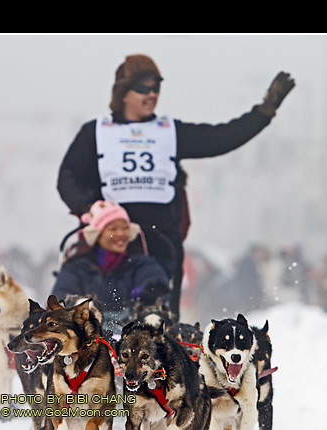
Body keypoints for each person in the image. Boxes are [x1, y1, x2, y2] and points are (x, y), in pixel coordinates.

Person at [57, 54, 296, 320]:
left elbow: (221, 138)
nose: (151, 94)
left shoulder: (168, 131)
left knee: (159, 326)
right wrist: (90, 208)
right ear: (123, 92)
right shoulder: (96, 132)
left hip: (161, 243)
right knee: (103, 321)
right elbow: (67, 177)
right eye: (142, 88)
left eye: (156, 87)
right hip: (113, 244)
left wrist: (264, 112)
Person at [51, 200, 170, 334]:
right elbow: (61, 297)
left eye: (125, 228)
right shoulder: (77, 267)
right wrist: (81, 304)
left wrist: (148, 295)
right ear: (98, 234)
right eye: (113, 229)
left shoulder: (141, 264)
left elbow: (157, 285)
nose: (121, 234)